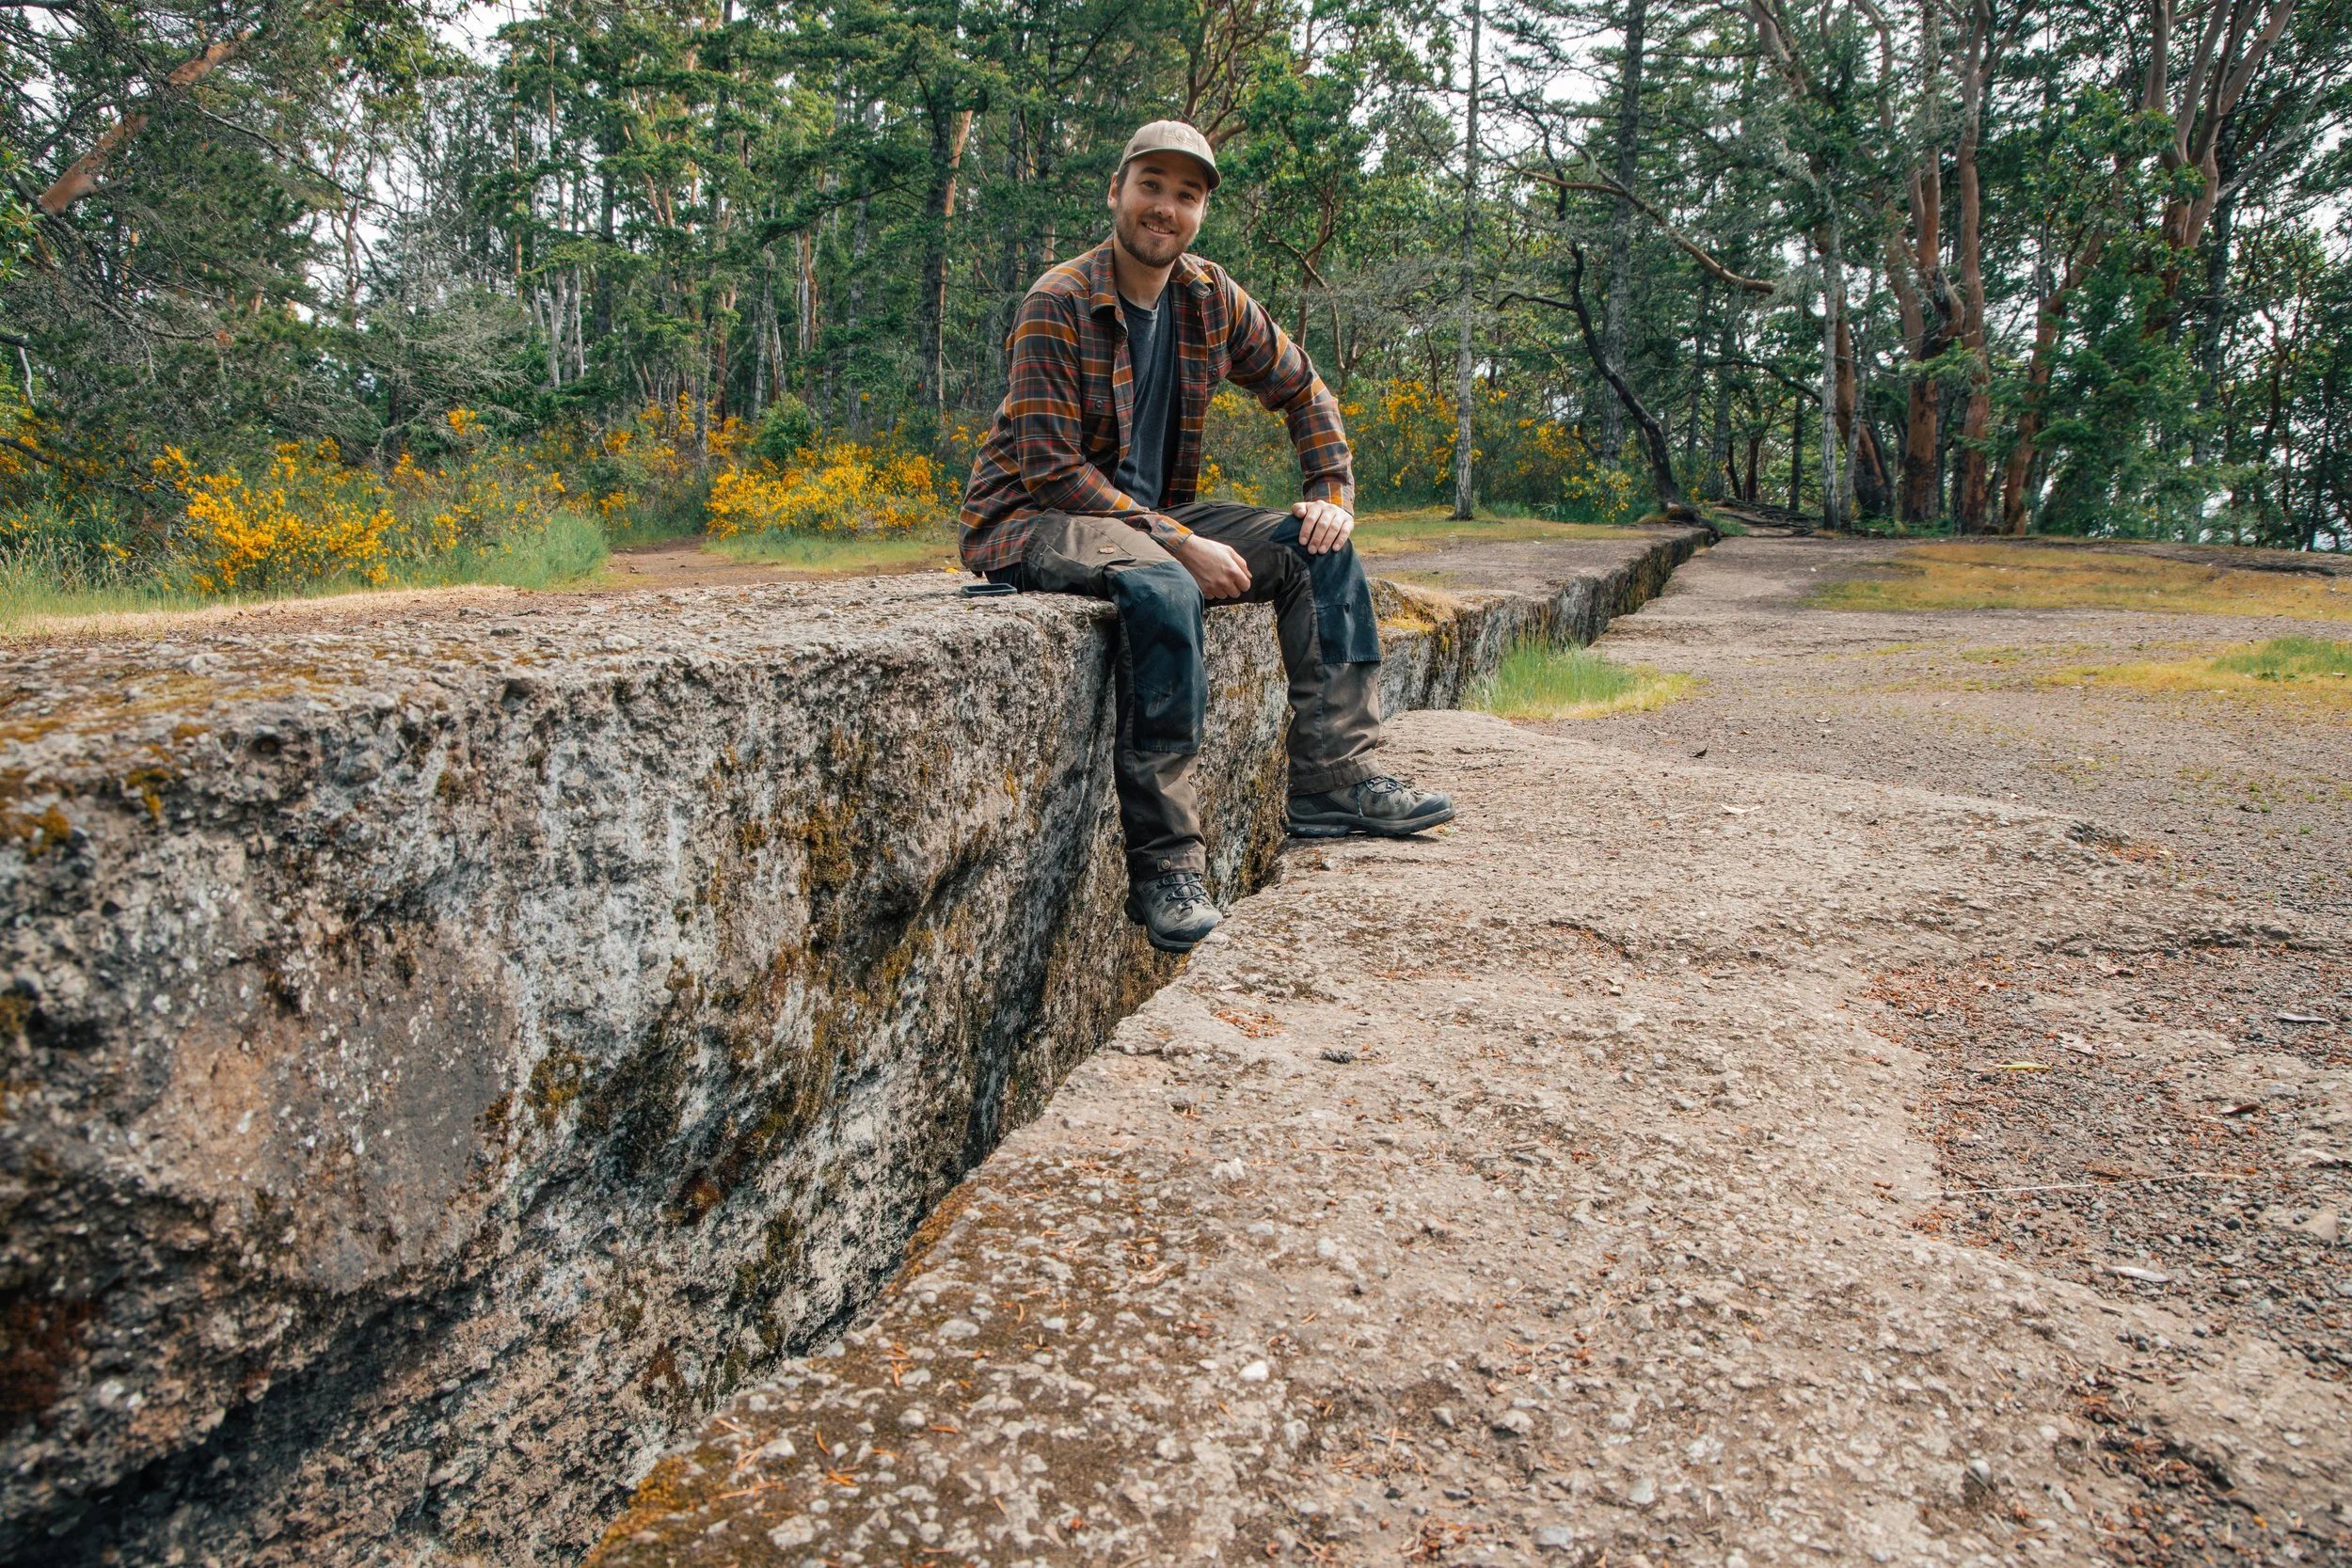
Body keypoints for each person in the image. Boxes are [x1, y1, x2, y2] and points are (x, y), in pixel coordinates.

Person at [959, 119, 1454, 954]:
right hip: (1032, 519)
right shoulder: (1058, 301)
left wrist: (1330, 490)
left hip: (1153, 521)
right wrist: (1177, 545)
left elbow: (1305, 390)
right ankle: (1165, 864)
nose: (1166, 207)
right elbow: (1050, 467)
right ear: (1117, 191)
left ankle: (1334, 781)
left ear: (1199, 213)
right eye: (1151, 185)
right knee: (1162, 584)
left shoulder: (1208, 296)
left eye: (1186, 195)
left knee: (1315, 546)